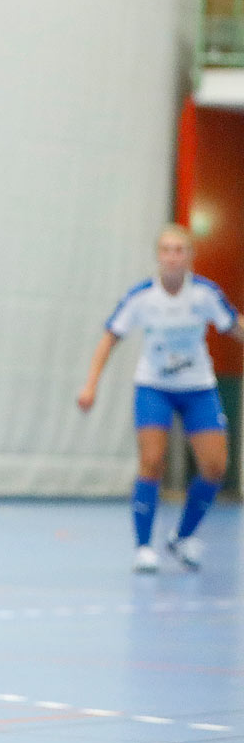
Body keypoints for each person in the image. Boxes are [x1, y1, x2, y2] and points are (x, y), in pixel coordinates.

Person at [77, 224, 243, 572]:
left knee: (214, 466)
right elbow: (110, 337)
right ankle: (143, 547)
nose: (172, 256)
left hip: (198, 388)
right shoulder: (141, 297)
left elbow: (232, 325)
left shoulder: (204, 294)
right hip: (154, 387)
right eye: (166, 250)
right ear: (158, 256)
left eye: (179, 250)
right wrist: (91, 384)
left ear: (189, 257)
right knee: (152, 461)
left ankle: (182, 537)